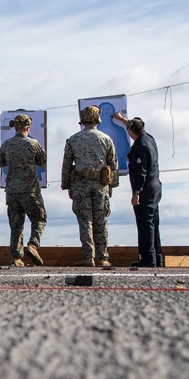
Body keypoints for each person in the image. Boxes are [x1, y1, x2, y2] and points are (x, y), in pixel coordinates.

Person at [61, 105, 119, 267]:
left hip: (80, 183)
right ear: (98, 119)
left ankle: (88, 256)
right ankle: (103, 257)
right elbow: (113, 165)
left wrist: (68, 185)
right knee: (101, 220)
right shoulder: (106, 139)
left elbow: (66, 165)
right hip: (101, 184)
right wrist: (111, 185)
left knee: (85, 220)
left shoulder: (73, 140)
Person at [0, 114, 48, 267]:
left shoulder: (7, 144)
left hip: (12, 190)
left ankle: (16, 258)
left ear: (15, 127)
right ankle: (33, 245)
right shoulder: (34, 144)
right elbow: (43, 163)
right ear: (27, 127)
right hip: (30, 189)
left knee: (16, 224)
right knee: (39, 219)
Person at [114, 112, 163, 267]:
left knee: (145, 224)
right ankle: (157, 257)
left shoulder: (140, 146)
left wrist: (136, 193)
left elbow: (140, 172)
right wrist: (122, 119)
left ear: (131, 132)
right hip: (155, 186)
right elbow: (134, 125)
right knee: (153, 222)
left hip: (145, 189)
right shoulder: (149, 138)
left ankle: (148, 259)